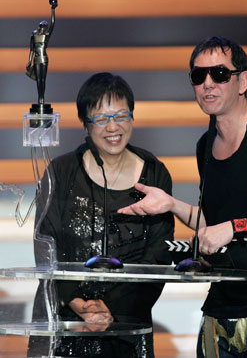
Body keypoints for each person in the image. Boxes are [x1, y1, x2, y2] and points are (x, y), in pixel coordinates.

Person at [118, 36, 247, 357]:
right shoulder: (205, 144)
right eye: (199, 76)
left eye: (220, 74)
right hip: (222, 306)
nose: (208, 84)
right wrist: (172, 205)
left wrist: (235, 227)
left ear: (243, 81)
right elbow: (216, 223)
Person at [28, 72, 174, 358]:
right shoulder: (60, 173)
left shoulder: (154, 173)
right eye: (101, 118)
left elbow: (159, 253)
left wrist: (112, 309)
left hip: (127, 325)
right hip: (65, 317)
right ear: (85, 123)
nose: (113, 127)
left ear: (132, 117)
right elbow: (45, 242)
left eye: (121, 115)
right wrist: (78, 302)